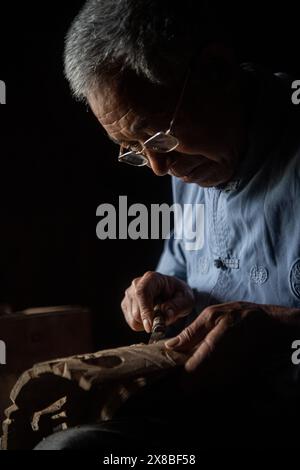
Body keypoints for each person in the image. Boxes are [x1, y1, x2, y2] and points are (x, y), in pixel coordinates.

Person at [36, 0, 300, 449]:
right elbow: (182, 266)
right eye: (133, 148)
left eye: (159, 135)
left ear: (215, 70)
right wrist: (169, 290)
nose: (158, 167)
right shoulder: (192, 159)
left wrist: (284, 328)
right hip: (208, 418)